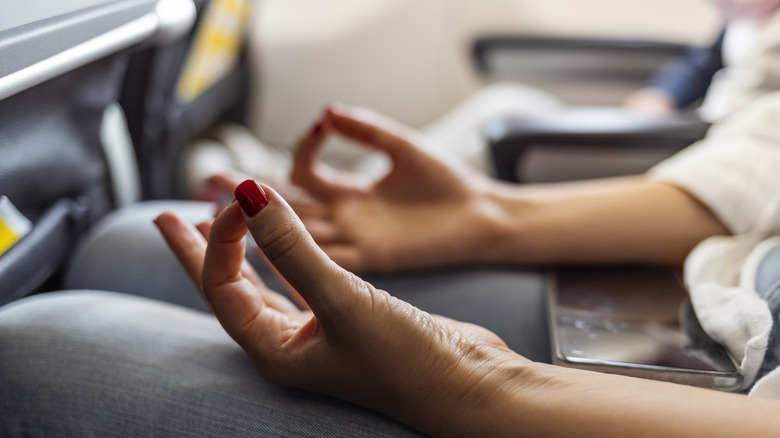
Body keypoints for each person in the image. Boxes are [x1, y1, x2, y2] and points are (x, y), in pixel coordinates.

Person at [3, 95, 780, 436]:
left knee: (31, 352)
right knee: (131, 242)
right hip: (732, 301)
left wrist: (480, 385)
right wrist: (489, 221)